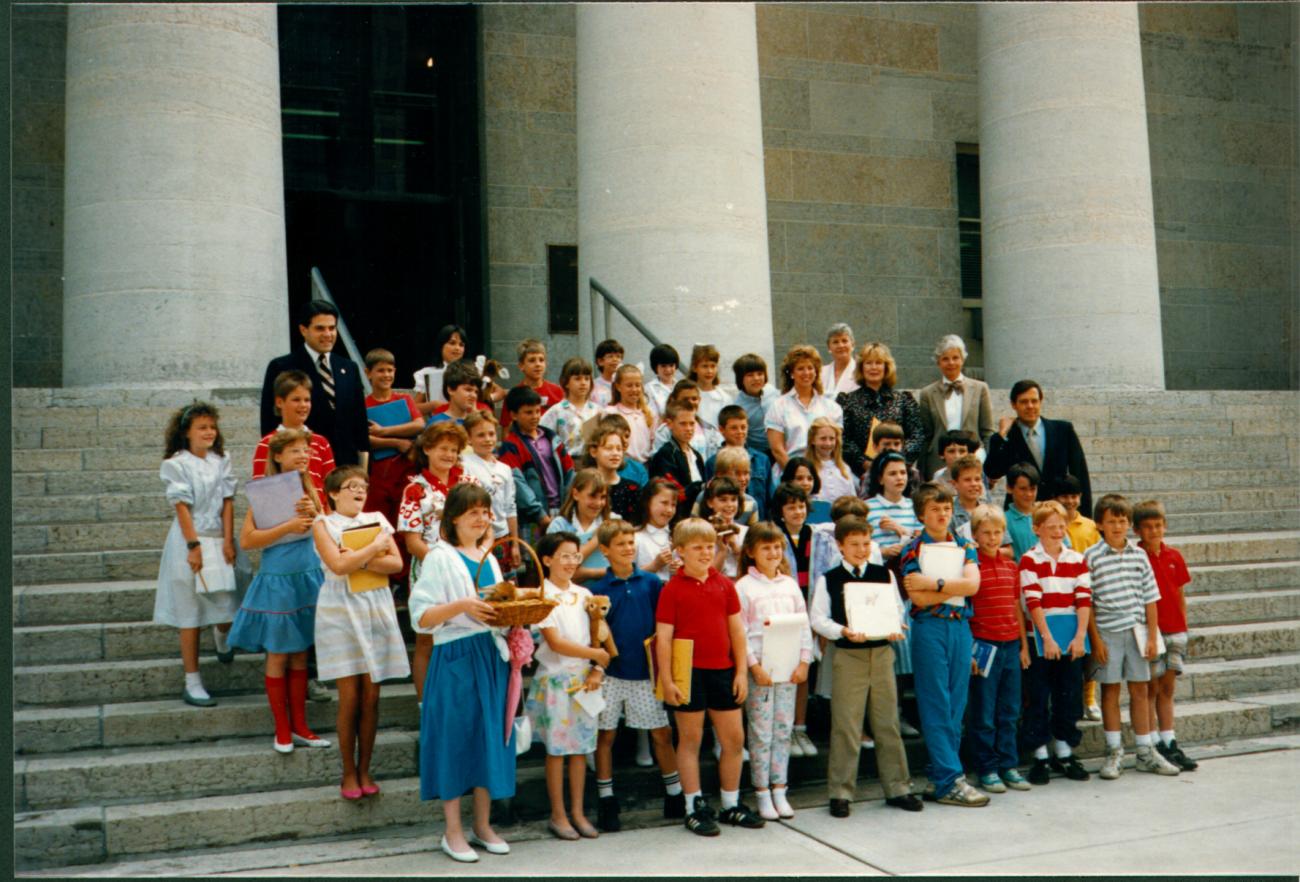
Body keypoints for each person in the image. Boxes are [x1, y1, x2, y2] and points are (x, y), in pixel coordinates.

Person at [408, 483, 514, 863]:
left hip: (488, 653)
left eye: (485, 511)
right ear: (453, 518)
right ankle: (452, 831)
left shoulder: (489, 555)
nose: (481, 518)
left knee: (489, 738)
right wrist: (461, 605)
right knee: (454, 739)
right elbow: (420, 616)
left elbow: (497, 607)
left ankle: (482, 826)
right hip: (454, 655)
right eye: (473, 512)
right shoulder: (439, 557)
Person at [655, 518, 765, 836]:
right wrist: (669, 680)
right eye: (697, 548)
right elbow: (664, 638)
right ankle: (694, 806)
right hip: (688, 672)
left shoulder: (725, 585)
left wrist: (741, 671)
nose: (705, 553)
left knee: (733, 739)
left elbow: (737, 632)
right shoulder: (672, 589)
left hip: (722, 670)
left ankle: (730, 803)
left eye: (709, 547)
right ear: (679, 552)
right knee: (690, 740)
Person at [228, 429, 330, 754]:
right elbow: (247, 540)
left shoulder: (311, 487)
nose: (303, 455)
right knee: (278, 652)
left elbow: (326, 529)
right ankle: (281, 728)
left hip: (308, 574)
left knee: (301, 652)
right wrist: (288, 526)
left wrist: (317, 517)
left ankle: (301, 725)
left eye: (306, 450)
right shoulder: (267, 491)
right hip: (279, 579)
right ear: (277, 455)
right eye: (295, 450)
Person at [809, 517, 919, 817]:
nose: (860, 550)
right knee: (847, 725)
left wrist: (896, 626)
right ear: (840, 546)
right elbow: (818, 618)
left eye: (865, 544)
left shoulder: (883, 575)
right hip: (849, 656)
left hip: (881, 653)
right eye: (853, 544)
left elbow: (896, 609)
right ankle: (841, 792)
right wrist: (842, 631)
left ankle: (898, 787)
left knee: (887, 723)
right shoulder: (829, 578)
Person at [310, 466, 408, 799]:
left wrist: (360, 559)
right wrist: (372, 550)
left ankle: (366, 768)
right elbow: (337, 566)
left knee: (372, 695)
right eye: (351, 486)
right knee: (349, 696)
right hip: (340, 608)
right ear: (334, 493)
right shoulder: (323, 524)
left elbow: (395, 565)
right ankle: (347, 771)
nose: (359, 491)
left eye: (362, 486)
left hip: (374, 604)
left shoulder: (379, 519)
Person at [589, 520, 684, 832]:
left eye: (631, 542)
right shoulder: (598, 590)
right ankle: (607, 800)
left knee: (661, 733)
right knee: (606, 736)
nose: (629, 548)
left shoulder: (651, 583)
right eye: (620, 544)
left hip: (646, 673)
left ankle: (675, 795)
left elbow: (663, 629)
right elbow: (596, 633)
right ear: (605, 551)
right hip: (611, 675)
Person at [899, 482, 987, 807]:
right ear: (922, 514)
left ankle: (941, 774)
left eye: (947, 508)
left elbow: (973, 585)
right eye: (935, 509)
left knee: (956, 702)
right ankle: (951, 777)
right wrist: (954, 588)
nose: (942, 514)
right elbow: (916, 595)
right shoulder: (913, 549)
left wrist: (936, 583)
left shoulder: (965, 544)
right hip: (930, 627)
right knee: (936, 700)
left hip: (959, 626)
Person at [1084, 494, 1181, 779]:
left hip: (1137, 631)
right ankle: (1114, 751)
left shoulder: (1139, 556)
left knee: (1141, 690)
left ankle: (1145, 750)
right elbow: (1087, 603)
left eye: (1123, 520)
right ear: (1100, 525)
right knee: (1110, 691)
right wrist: (1096, 640)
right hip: (1107, 632)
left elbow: (1150, 599)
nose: (1118, 526)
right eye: (1112, 521)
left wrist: (1152, 636)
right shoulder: (1091, 557)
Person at [155, 402, 242, 707]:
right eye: (201, 427)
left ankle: (221, 635)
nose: (208, 432)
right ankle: (192, 681)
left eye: (212, 427)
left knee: (228, 601)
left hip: (220, 537)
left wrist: (228, 540)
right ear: (186, 432)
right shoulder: (177, 464)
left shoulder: (222, 460)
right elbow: (182, 506)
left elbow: (229, 500)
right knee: (190, 612)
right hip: (189, 540)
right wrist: (194, 547)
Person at [526, 532, 609, 840]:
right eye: (564, 555)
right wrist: (594, 654)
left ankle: (577, 811)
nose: (571, 562)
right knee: (558, 750)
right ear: (547, 560)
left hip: (584, 681)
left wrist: (597, 668)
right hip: (557, 681)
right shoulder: (541, 595)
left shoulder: (585, 594)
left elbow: (601, 633)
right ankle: (558, 814)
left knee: (581, 748)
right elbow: (556, 642)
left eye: (575, 555)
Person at [735, 523, 813, 821]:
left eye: (777, 547)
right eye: (765, 547)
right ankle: (762, 792)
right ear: (752, 551)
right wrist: (753, 666)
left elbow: (803, 625)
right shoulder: (743, 587)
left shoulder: (789, 585)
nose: (772, 553)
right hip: (762, 671)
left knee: (783, 730)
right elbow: (740, 633)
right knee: (761, 733)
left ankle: (780, 788)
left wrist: (804, 661)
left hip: (788, 668)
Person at [396, 420, 477, 704]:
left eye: (454, 450)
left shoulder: (469, 483)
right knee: (426, 638)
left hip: (467, 568)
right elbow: (412, 540)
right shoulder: (414, 489)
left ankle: (460, 699)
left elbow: (485, 525)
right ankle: (426, 703)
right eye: (443, 448)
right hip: (429, 567)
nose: (449, 455)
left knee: (465, 632)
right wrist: (442, 564)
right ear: (427, 449)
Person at [1019, 500, 1092, 785]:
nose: (1057, 531)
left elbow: (1083, 599)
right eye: (1050, 527)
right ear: (1037, 529)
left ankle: (1063, 752)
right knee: (1037, 697)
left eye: (1061, 526)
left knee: (1069, 695)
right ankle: (1040, 756)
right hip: (1040, 640)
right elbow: (1033, 600)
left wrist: (1079, 637)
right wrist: (1047, 638)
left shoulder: (1076, 559)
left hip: (1071, 639)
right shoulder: (1029, 559)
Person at [965, 504, 1032, 794]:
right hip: (985, 645)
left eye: (997, 532)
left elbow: (1017, 608)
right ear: (975, 535)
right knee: (984, 711)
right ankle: (987, 768)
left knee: (1009, 709)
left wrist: (1024, 647)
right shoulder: (972, 568)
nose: (992, 538)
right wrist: (971, 651)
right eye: (986, 533)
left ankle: (1008, 764)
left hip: (1011, 645)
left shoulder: (1011, 567)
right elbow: (968, 610)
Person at [260, 300, 369, 468]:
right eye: (320, 328)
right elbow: (269, 422)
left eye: (332, 328)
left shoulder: (349, 368)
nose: (328, 334)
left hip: (345, 469)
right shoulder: (282, 367)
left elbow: (360, 424)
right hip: (303, 465)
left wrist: (363, 471)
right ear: (303, 330)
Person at [1134, 499, 1199, 772]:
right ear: (1137, 530)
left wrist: (1183, 625)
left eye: (1158, 526)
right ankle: (1152, 744)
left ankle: (1169, 740)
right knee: (1150, 686)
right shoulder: (1136, 556)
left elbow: (1180, 594)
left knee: (1168, 687)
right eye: (1147, 527)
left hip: (1174, 629)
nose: (1154, 531)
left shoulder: (1174, 556)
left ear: (1165, 526)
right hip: (1150, 631)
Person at [984, 379, 1092, 516]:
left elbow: (1080, 474)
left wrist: (1087, 517)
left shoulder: (1063, 430)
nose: (1030, 406)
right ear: (1013, 405)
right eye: (1024, 402)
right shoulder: (1007, 437)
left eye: (1034, 401)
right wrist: (1001, 435)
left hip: (1058, 511)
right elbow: (992, 472)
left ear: (1041, 402)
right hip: (1020, 513)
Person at [771, 481, 816, 756]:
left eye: (801, 506)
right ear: (781, 511)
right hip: (782, 611)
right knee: (783, 670)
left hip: (810, 608)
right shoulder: (775, 537)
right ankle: (783, 731)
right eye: (791, 507)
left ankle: (800, 728)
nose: (798, 511)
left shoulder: (816, 535)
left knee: (803, 670)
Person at [498, 385, 574, 546]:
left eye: (537, 411)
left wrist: (567, 507)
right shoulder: (510, 445)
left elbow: (569, 472)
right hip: (533, 517)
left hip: (560, 509)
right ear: (513, 415)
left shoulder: (551, 437)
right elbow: (518, 484)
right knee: (535, 562)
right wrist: (540, 515)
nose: (535, 416)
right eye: (528, 412)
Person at [362, 350, 423, 547]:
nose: (387, 375)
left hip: (406, 467)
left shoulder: (404, 400)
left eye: (390, 370)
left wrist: (384, 431)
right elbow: (363, 438)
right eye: (381, 370)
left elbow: (419, 424)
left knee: (404, 518)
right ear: (368, 373)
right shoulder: (363, 404)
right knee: (378, 518)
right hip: (379, 469)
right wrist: (396, 442)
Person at [837, 342, 923, 478]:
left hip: (898, 472)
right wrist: (864, 463)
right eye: (868, 363)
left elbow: (916, 436)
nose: (873, 367)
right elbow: (844, 438)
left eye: (878, 363)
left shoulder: (903, 400)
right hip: (859, 474)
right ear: (861, 367)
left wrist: (896, 460)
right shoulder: (847, 401)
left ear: (886, 367)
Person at [917, 334, 994, 480]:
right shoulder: (927, 393)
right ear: (938, 362)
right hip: (938, 462)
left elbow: (987, 432)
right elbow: (926, 436)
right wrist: (922, 469)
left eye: (955, 358)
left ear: (963, 359)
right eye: (945, 359)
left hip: (973, 460)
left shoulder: (980, 388)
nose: (951, 363)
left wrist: (990, 466)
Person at [253, 370, 336, 499]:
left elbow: (332, 486)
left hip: (320, 514)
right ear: (279, 402)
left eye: (307, 400)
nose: (303, 405)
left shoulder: (321, 443)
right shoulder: (267, 442)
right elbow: (260, 490)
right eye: (296, 400)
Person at [460, 411, 520, 575]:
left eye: (491, 434)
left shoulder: (504, 469)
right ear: (469, 439)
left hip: (502, 536)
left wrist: (514, 543)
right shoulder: (465, 465)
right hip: (477, 536)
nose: (487, 439)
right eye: (480, 435)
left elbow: (510, 507)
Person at [765, 344, 842, 471]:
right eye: (800, 368)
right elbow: (777, 450)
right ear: (791, 373)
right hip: (790, 471)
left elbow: (836, 447)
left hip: (825, 470)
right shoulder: (778, 406)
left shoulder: (831, 407)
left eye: (810, 368)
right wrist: (797, 475)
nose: (806, 373)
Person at [547, 469, 613, 584]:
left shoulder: (613, 521)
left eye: (602, 497)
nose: (598, 503)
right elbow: (558, 568)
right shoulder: (559, 525)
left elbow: (621, 567)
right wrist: (596, 540)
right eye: (592, 496)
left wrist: (586, 573)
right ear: (576, 494)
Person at [706, 404, 771, 518]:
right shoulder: (713, 462)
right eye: (734, 428)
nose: (740, 431)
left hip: (758, 524)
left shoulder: (762, 459)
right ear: (721, 429)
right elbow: (710, 496)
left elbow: (770, 499)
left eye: (743, 427)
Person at [649, 400, 708, 512]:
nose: (689, 429)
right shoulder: (665, 455)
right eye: (683, 424)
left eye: (692, 423)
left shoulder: (696, 455)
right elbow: (674, 494)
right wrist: (699, 487)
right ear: (670, 424)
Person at [541, 356, 602, 460]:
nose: (583, 383)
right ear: (566, 382)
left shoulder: (597, 411)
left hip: (593, 463)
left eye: (587, 378)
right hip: (566, 464)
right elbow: (543, 439)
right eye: (577, 379)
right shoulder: (557, 411)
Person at [652, 380, 725, 462]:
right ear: (674, 400)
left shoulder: (708, 428)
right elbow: (658, 461)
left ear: (699, 400)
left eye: (694, 399)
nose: (690, 402)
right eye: (685, 399)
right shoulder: (666, 430)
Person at [500, 339, 565, 430]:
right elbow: (507, 431)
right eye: (532, 360)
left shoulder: (558, 392)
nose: (538, 364)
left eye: (541, 360)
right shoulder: (513, 395)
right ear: (521, 366)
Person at [584, 423, 641, 522]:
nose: (615, 453)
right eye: (609, 448)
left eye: (619, 449)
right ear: (593, 451)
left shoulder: (632, 488)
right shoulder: (585, 485)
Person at [694, 446, 759, 527]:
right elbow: (693, 528)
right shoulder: (703, 497)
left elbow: (753, 535)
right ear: (720, 474)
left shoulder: (751, 503)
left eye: (746, 473)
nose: (743, 479)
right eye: (737, 473)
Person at [604, 364, 654, 463]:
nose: (634, 389)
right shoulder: (610, 412)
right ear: (618, 386)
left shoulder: (647, 413)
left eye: (637, 385)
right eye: (629, 385)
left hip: (645, 467)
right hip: (622, 466)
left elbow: (653, 442)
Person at [732, 353, 780, 457]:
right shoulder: (739, 407)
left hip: (782, 447)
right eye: (750, 375)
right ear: (741, 379)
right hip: (760, 455)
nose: (756, 378)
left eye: (760, 374)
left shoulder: (772, 392)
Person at [697, 477, 746, 579]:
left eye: (733, 499)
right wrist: (722, 550)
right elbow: (704, 577)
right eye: (723, 500)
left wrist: (734, 546)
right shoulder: (700, 533)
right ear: (710, 502)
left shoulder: (746, 532)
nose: (729, 505)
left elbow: (750, 571)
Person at [412, 324, 466, 414]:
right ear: (441, 345)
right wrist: (434, 405)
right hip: (439, 424)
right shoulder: (429, 373)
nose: (457, 348)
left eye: (461, 345)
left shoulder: (471, 372)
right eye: (452, 343)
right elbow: (413, 408)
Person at [635, 477, 680, 584]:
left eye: (673, 505)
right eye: (664, 503)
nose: (669, 510)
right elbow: (626, 575)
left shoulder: (677, 535)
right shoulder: (636, 537)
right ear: (648, 502)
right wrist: (654, 565)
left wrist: (681, 569)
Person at [807, 417, 856, 504]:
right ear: (812, 440)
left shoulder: (844, 469)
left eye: (832, 438)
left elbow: (852, 500)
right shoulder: (806, 468)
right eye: (823, 438)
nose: (828, 443)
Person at [1002, 462, 1041, 562]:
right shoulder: (1003, 520)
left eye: (1033, 489)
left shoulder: (1047, 514)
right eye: (1023, 489)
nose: (1028, 494)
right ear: (1009, 488)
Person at [688, 343, 732, 428]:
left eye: (713, 366)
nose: (709, 371)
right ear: (694, 368)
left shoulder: (724, 399)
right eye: (704, 366)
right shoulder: (686, 395)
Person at [948, 453, 990, 541]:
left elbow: (1008, 550)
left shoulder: (990, 511)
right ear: (954, 484)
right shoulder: (949, 513)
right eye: (967, 480)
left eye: (977, 479)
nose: (974, 484)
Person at [429, 360, 483, 425]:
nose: (474, 395)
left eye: (476, 392)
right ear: (451, 390)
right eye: (468, 390)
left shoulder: (480, 422)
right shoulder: (437, 423)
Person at [645, 343, 681, 421]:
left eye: (671, 365)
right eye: (663, 366)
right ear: (655, 367)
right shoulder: (649, 389)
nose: (668, 370)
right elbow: (650, 415)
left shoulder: (681, 386)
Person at [591, 338, 624, 407]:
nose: (615, 359)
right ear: (600, 361)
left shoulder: (625, 385)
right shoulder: (593, 386)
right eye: (610, 356)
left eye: (618, 356)